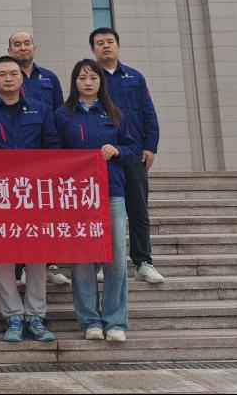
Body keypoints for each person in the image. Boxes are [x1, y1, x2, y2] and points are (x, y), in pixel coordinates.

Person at [0, 55, 60, 343]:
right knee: (4, 256)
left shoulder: (41, 110)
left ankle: (35, 316)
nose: (8, 78)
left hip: (33, 193)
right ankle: (12, 315)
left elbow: (52, 148)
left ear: (21, 78)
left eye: (13, 73)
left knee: (37, 256)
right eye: (2, 74)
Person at [55, 58, 136, 342]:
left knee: (116, 256)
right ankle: (89, 319)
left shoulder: (114, 113)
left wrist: (118, 150)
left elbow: (132, 147)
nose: (88, 83)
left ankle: (115, 321)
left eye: (93, 78)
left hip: (111, 191)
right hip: (77, 195)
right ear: (74, 82)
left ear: (101, 82)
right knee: (82, 257)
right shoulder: (63, 115)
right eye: (82, 78)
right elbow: (54, 151)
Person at [91, 27, 164, 284]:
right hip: (102, 156)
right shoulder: (91, 77)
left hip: (133, 152)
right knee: (101, 211)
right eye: (100, 43)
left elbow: (148, 113)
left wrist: (150, 146)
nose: (106, 46)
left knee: (138, 209)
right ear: (93, 49)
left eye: (110, 41)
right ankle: (101, 262)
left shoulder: (134, 77)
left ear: (118, 46)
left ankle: (143, 262)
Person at [7, 30, 70, 287]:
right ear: (9, 50)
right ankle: (23, 264)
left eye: (27, 43)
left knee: (46, 212)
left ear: (35, 48)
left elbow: (60, 113)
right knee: (20, 214)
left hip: (45, 154)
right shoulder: (7, 76)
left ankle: (50, 263)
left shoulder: (49, 78)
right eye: (17, 44)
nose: (23, 48)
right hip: (16, 155)